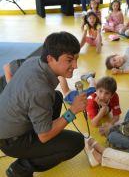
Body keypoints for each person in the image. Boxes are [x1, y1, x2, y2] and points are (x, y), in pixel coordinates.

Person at [0, 32, 86, 176]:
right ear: (50, 59)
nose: (75, 66)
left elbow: (8, 67)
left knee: (57, 97)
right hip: (12, 141)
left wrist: (17, 96)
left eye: (76, 59)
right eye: (70, 60)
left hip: (7, 124)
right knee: (76, 142)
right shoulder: (40, 90)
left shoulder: (33, 61)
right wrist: (73, 110)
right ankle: (20, 169)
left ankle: (45, 145)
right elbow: (44, 136)